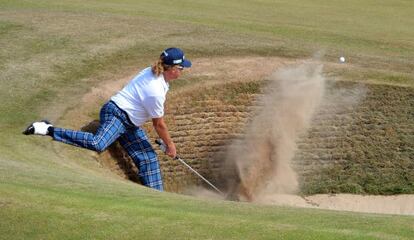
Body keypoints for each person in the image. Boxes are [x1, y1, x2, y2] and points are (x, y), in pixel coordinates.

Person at [23, 47, 192, 191]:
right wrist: (170, 146)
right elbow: (158, 124)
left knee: (149, 159)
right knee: (98, 143)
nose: (183, 71)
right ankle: (47, 128)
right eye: (181, 68)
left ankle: (158, 198)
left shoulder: (157, 74)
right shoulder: (154, 89)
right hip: (116, 114)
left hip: (130, 124)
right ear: (172, 68)